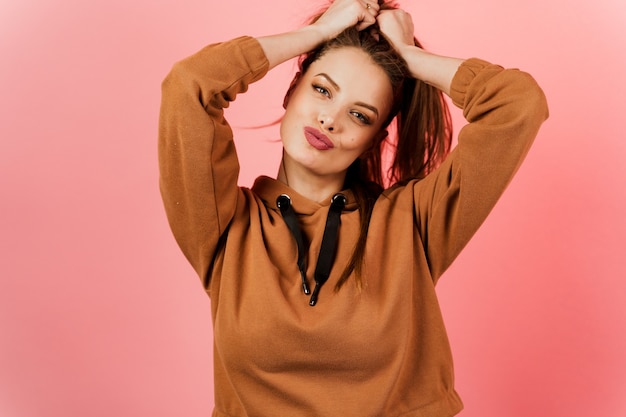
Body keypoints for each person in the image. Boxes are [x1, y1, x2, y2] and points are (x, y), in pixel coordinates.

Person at [158, 0, 548, 415]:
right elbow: (191, 85)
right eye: (322, 89)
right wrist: (315, 36)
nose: (330, 120)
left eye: (360, 115)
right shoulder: (226, 224)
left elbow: (518, 103)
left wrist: (411, 59)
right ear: (292, 91)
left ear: (375, 139)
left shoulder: (411, 222)